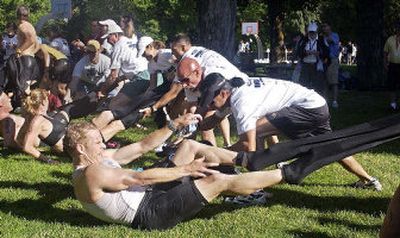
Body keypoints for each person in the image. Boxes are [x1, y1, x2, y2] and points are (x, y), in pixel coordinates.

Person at [179, 65, 381, 190]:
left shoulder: (242, 102)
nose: (211, 106)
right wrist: (191, 125)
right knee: (330, 145)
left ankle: (255, 185)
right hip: (316, 105)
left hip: (306, 108)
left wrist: (212, 156)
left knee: (255, 132)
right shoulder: (233, 91)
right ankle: (369, 180)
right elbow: (212, 121)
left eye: (212, 101)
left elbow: (248, 146)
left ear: (223, 93)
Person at [5, 6, 40, 107]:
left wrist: (19, 50)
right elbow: (37, 44)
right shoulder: (30, 26)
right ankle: (30, 107)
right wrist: (31, 52)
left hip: (25, 60)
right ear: (27, 15)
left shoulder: (22, 26)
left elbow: (30, 40)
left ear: (17, 15)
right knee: (26, 87)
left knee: (23, 87)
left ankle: (29, 108)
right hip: (31, 58)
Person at [298, 22, 329, 96]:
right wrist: (306, 53)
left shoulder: (321, 40)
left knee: (318, 84)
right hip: (306, 64)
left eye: (313, 33)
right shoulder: (304, 40)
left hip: (316, 65)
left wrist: (319, 54)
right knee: (304, 84)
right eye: (310, 33)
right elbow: (299, 52)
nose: (312, 34)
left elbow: (326, 52)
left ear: (316, 32)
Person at [322, 23, 340, 108]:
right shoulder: (322, 37)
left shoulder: (335, 35)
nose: (324, 28)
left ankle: (335, 101)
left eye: (326, 26)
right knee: (325, 81)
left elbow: (331, 41)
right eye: (323, 27)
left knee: (334, 81)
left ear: (330, 27)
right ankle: (326, 100)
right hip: (324, 60)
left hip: (333, 60)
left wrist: (324, 39)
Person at [384, 22, 400, 111]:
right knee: (392, 85)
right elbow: (385, 53)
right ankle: (393, 104)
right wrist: (385, 64)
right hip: (392, 65)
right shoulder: (390, 39)